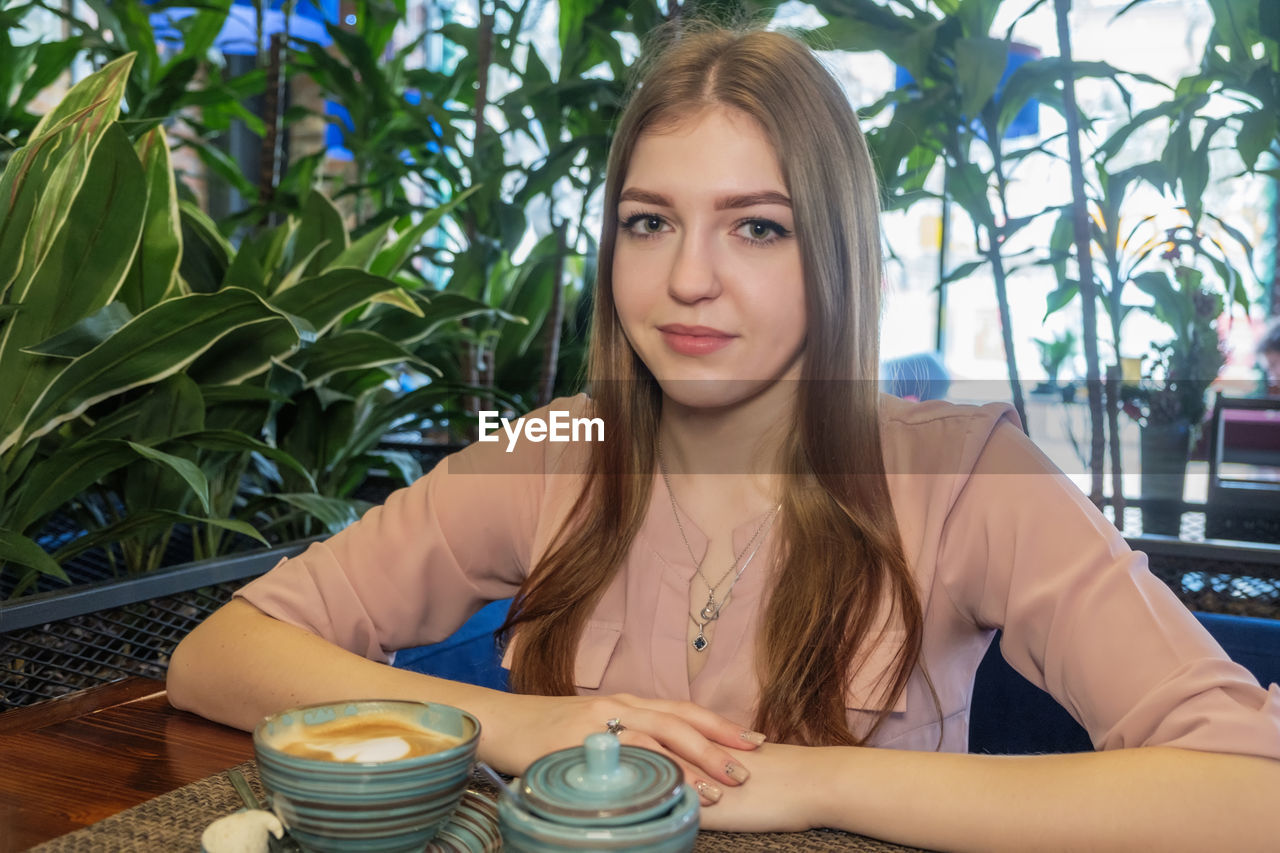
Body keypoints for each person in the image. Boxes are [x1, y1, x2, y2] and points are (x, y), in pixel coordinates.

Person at [168, 25, 1280, 849]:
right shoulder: (555, 449)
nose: (687, 278)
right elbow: (219, 655)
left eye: (755, 227)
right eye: (648, 223)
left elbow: (1248, 792)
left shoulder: (964, 472)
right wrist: (528, 722)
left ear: (832, 252)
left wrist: (816, 781)